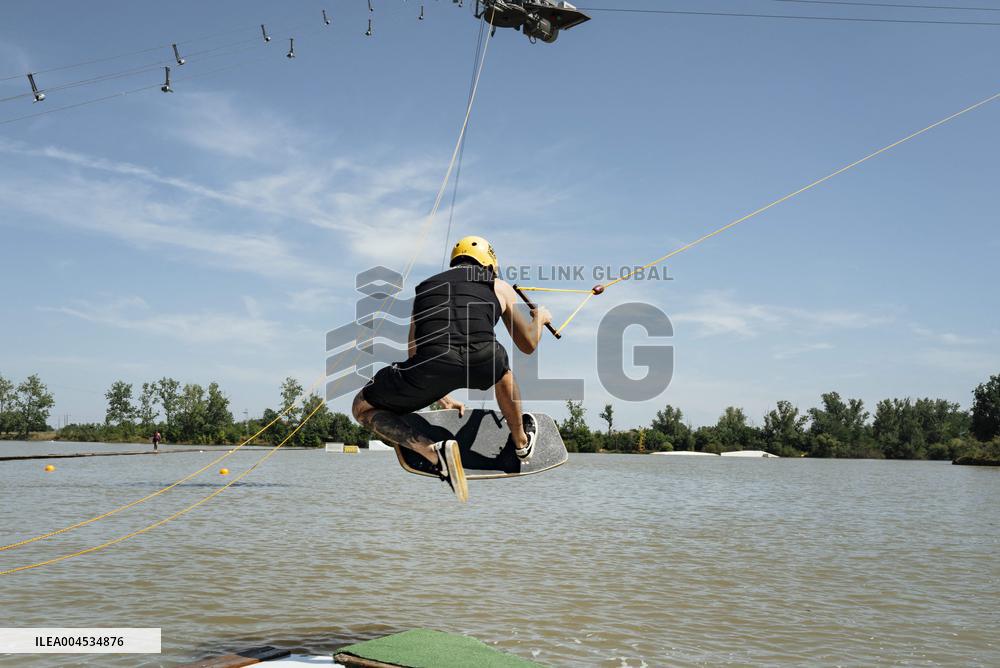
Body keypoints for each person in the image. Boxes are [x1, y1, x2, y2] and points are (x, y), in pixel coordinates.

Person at [352, 235, 552, 502]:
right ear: (490, 264)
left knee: (362, 408)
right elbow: (527, 344)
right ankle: (521, 442)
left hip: (431, 363)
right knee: (501, 368)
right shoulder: (499, 285)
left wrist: (442, 396)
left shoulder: (424, 288)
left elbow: (414, 351)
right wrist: (539, 319)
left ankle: (433, 452)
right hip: (485, 358)